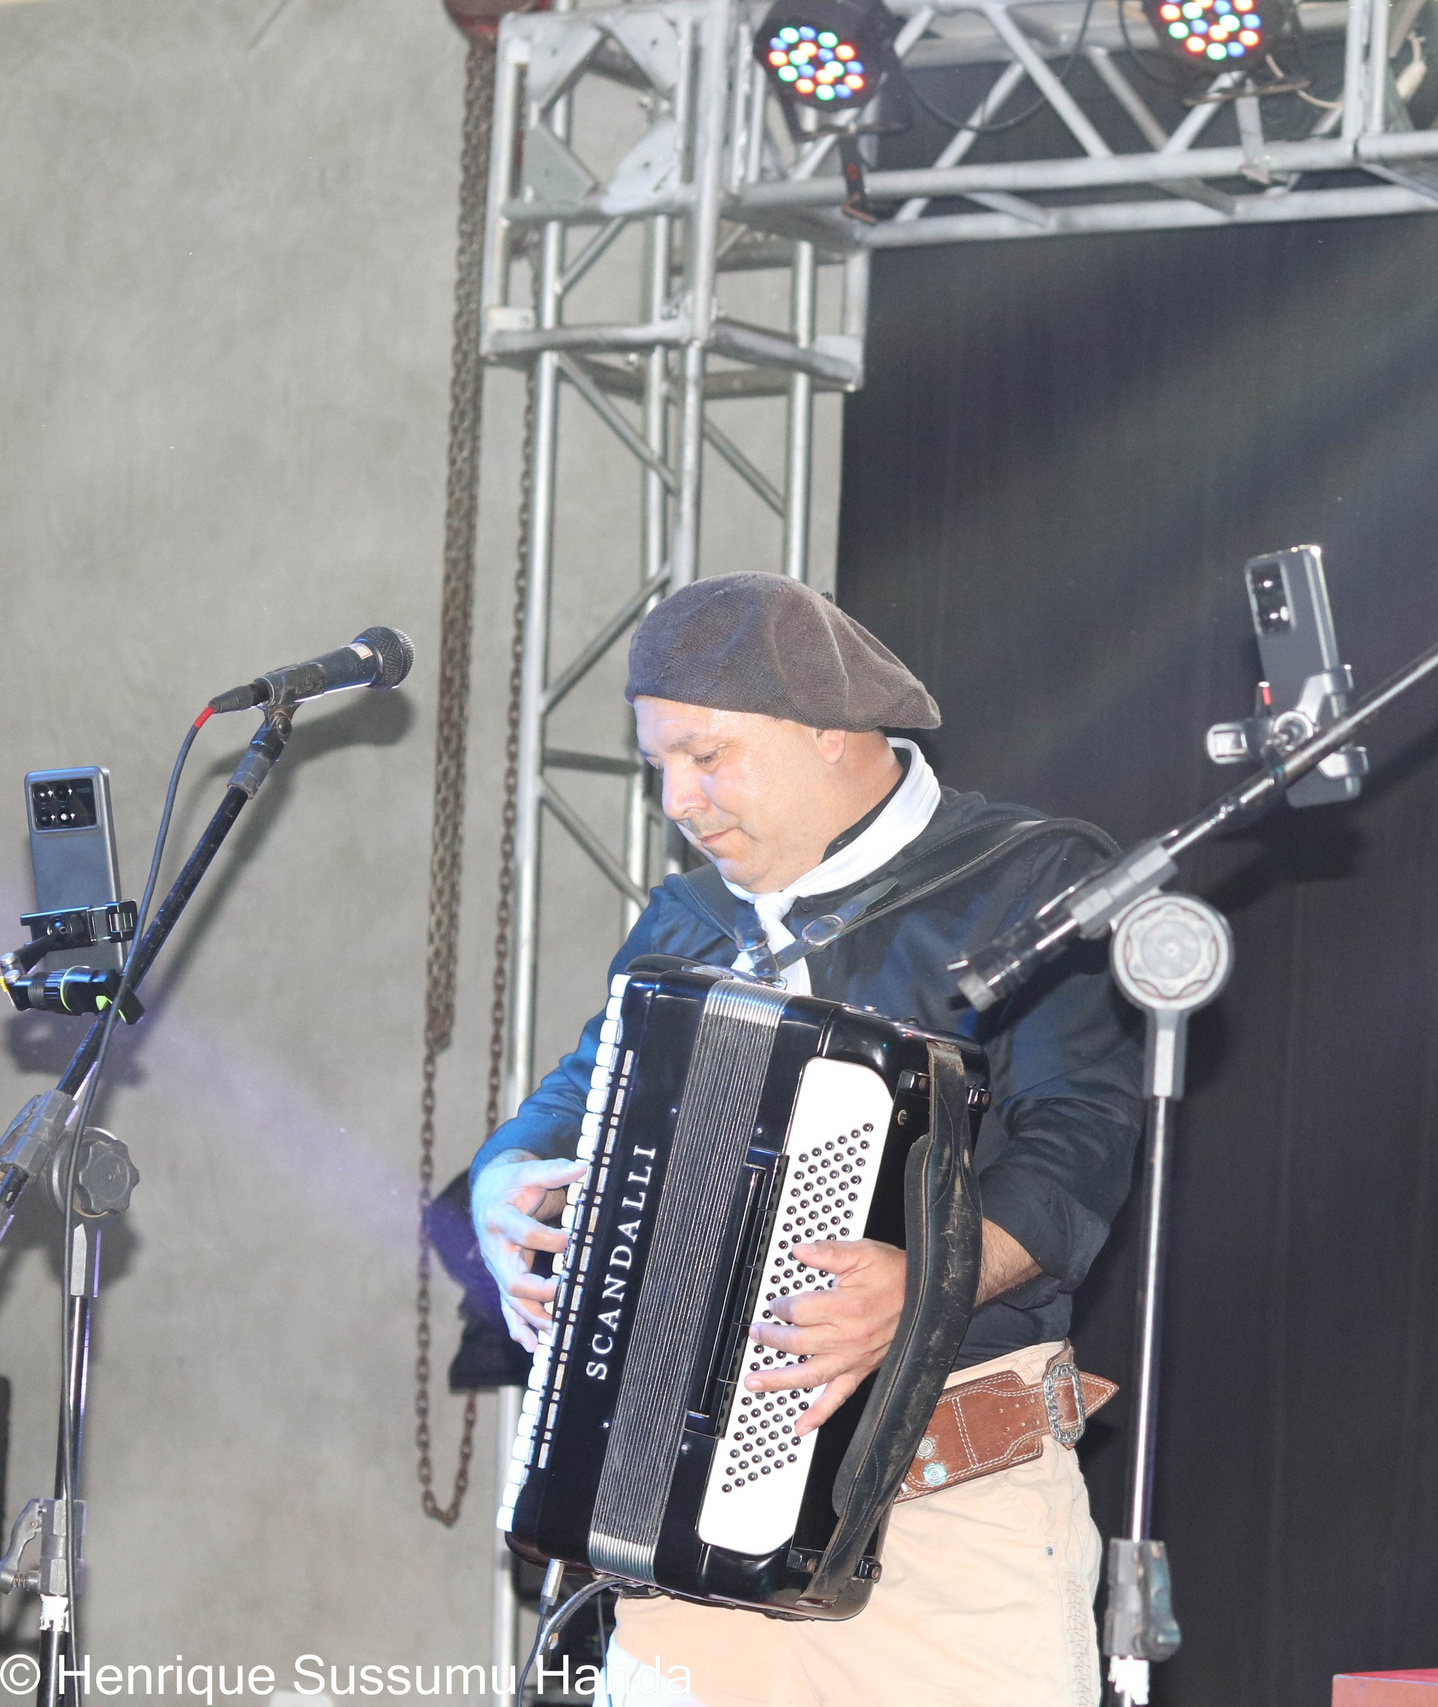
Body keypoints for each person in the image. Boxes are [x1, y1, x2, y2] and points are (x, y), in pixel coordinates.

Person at [470, 572, 1142, 1707]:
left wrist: (925, 1280)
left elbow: (1077, 1149)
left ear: (833, 733)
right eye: (660, 764)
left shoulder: (1027, 883)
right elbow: (575, 1097)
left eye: (707, 755)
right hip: (684, 1546)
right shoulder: (690, 920)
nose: (677, 799)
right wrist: (503, 1184)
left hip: (947, 1538)